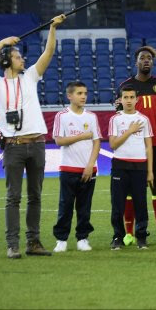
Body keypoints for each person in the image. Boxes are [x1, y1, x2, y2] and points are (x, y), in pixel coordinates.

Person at [0, 13, 65, 259]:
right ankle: (12, 244)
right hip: (14, 147)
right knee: (13, 197)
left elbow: (47, 54)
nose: (22, 58)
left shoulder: (30, 77)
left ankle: (33, 242)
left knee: (35, 196)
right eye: (17, 56)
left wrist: (52, 29)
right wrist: (2, 44)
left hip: (37, 144)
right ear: (6, 61)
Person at [117, 46, 156, 245]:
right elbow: (119, 113)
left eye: (149, 58)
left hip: (155, 144)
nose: (146, 61)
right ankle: (129, 233)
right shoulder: (126, 86)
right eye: (142, 58)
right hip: (132, 147)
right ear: (136, 62)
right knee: (130, 190)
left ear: (153, 62)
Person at [52, 81, 102, 252]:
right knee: (65, 206)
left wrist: (90, 165)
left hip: (89, 169)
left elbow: (97, 143)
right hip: (68, 168)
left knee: (84, 207)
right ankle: (61, 239)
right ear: (70, 96)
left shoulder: (92, 117)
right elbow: (58, 140)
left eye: (85, 93)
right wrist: (81, 136)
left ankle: (83, 238)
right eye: (79, 93)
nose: (83, 96)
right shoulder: (62, 116)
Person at [108, 84, 154, 250]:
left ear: (137, 99)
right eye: (125, 97)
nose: (128, 100)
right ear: (121, 99)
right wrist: (129, 131)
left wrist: (150, 171)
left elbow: (148, 146)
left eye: (131, 97)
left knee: (140, 203)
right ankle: (117, 237)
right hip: (120, 165)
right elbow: (113, 144)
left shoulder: (143, 119)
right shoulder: (115, 119)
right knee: (117, 204)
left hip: (140, 167)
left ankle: (141, 237)